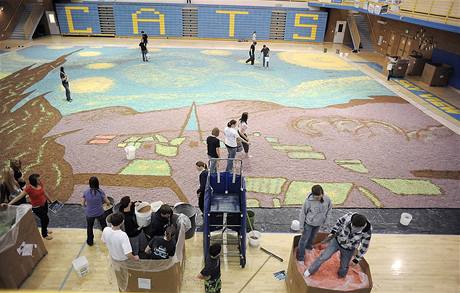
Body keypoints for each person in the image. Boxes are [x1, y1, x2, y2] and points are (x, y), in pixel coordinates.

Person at [304, 213, 372, 278]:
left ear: (362, 227)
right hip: (337, 241)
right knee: (323, 257)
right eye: (352, 226)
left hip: (349, 249)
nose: (353, 228)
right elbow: (339, 222)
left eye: (356, 228)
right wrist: (333, 231)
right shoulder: (348, 217)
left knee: (344, 266)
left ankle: (341, 277)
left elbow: (364, 247)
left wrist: (356, 259)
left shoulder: (367, 232)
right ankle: (310, 271)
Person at [9, 174, 53, 240]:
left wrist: (51, 201)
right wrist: (9, 204)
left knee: (44, 219)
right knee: (45, 219)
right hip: (37, 207)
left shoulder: (40, 184)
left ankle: (45, 229)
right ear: (34, 181)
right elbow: (19, 197)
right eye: (38, 179)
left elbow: (44, 192)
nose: (40, 180)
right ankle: (44, 235)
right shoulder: (29, 189)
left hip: (44, 204)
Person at [296, 185, 332, 262]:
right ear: (313, 195)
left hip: (318, 224)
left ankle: (308, 248)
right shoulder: (308, 201)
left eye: (319, 196)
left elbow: (329, 210)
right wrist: (301, 227)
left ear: (322, 193)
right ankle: (300, 257)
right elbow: (302, 213)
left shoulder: (327, 199)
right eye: (316, 197)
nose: (318, 198)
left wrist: (326, 222)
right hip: (308, 224)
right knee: (303, 240)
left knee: (312, 237)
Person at [82, 176, 110, 246]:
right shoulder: (100, 192)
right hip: (100, 212)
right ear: (97, 183)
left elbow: (82, 203)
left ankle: (90, 242)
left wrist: (87, 207)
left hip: (89, 214)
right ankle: (107, 240)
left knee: (89, 227)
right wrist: (106, 204)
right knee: (104, 226)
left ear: (90, 184)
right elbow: (108, 202)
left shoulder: (86, 192)